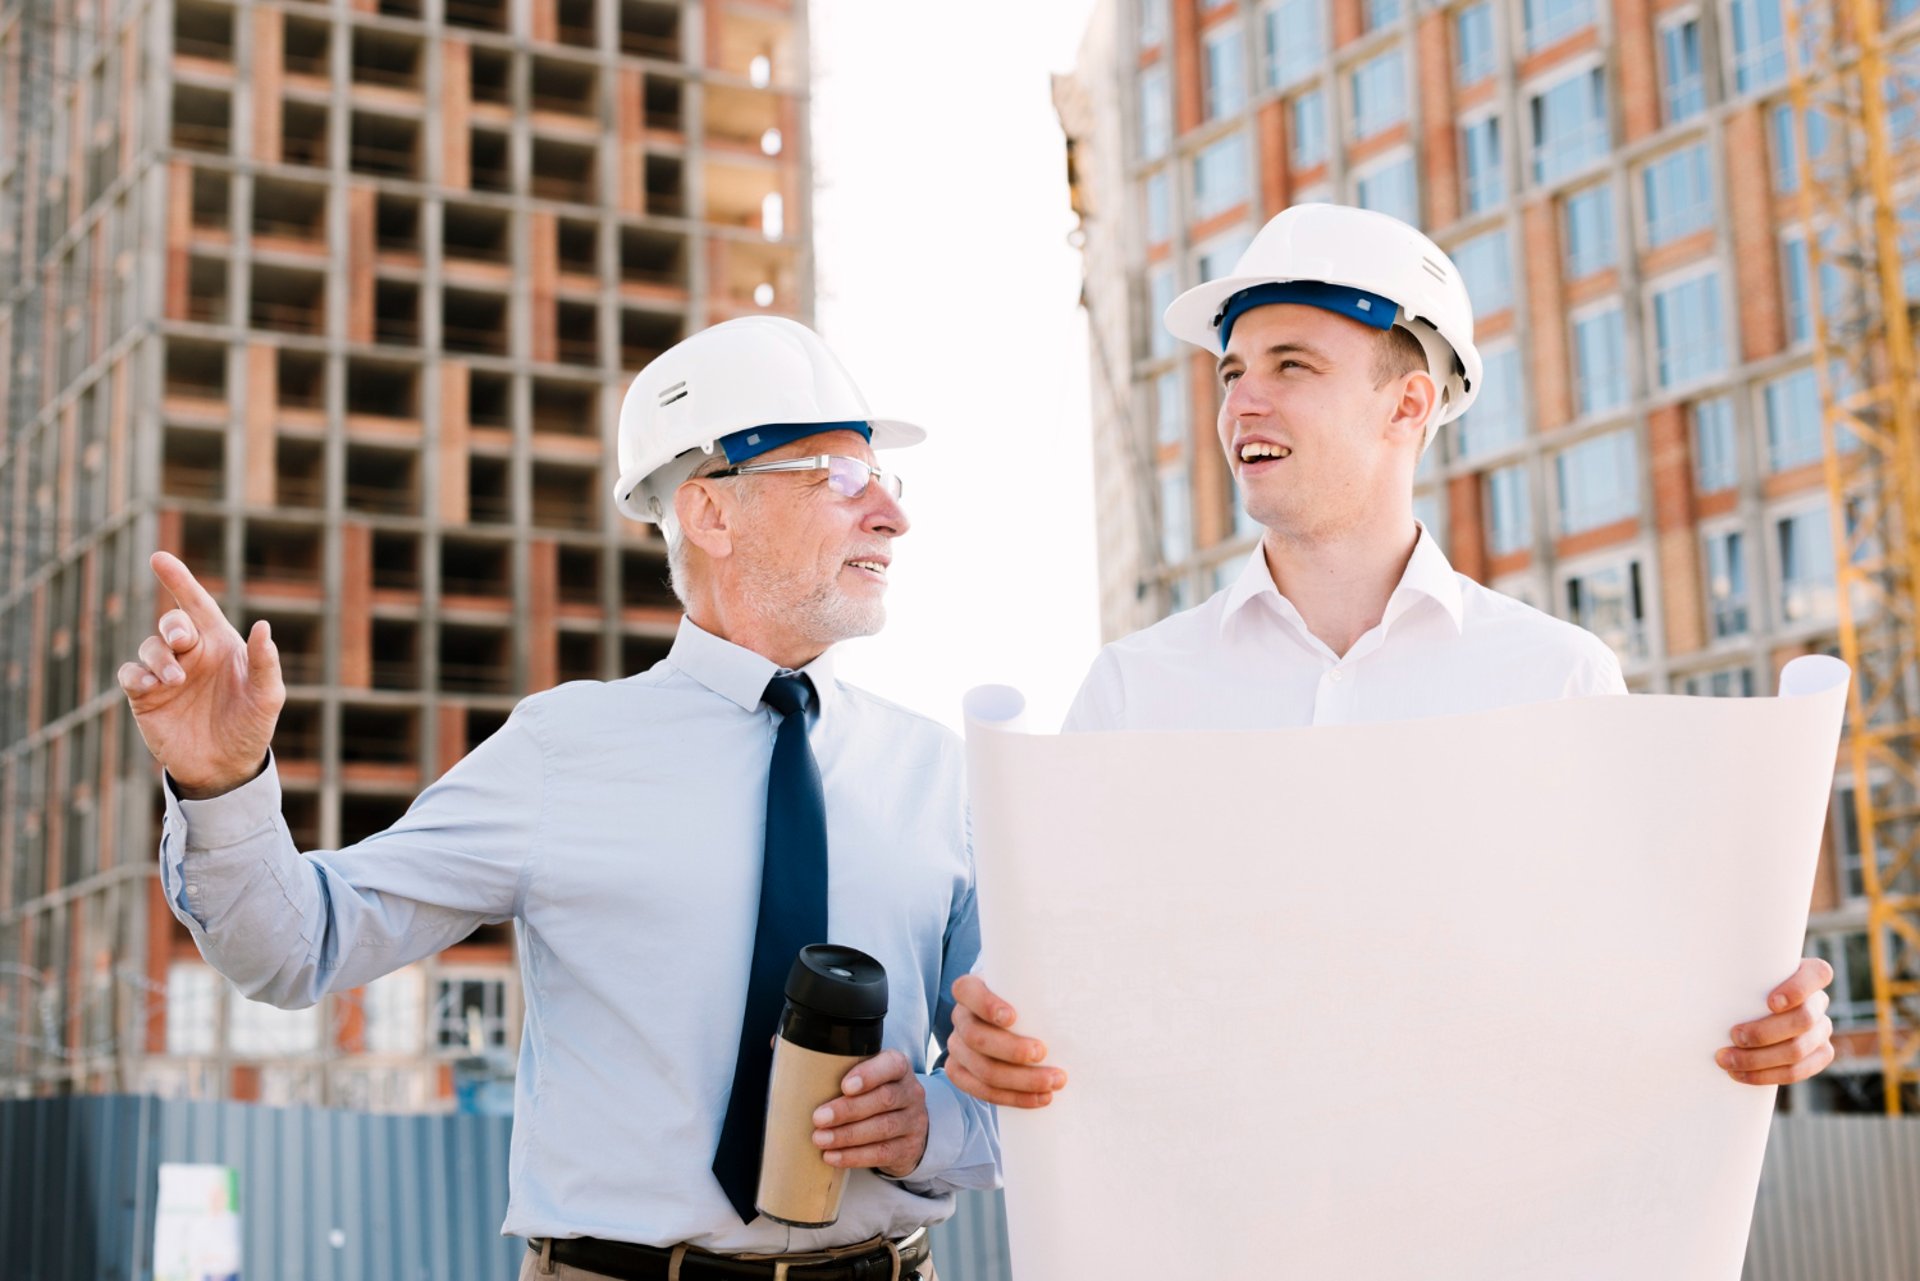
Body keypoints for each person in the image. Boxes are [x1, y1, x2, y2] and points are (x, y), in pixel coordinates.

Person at [119, 316, 996, 1281]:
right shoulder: (561, 751)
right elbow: (294, 947)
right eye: (838, 474)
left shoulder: (940, 774)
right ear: (712, 512)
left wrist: (934, 1125)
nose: (890, 514)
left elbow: (1031, 1069)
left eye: (885, 481)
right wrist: (221, 780)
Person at [945, 203, 1836, 1111]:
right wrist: (992, 1042)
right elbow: (1052, 982)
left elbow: (1639, 979)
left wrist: (1764, 1025)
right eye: (1233, 371)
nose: (1242, 401)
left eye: (1292, 365)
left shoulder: (1554, 677)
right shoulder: (1136, 689)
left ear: (1407, 403)